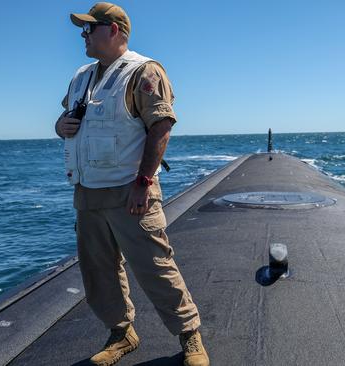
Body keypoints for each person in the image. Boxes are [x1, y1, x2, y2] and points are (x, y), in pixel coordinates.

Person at [54, 3, 209, 365]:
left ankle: (190, 336)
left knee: (154, 265)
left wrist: (143, 182)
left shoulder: (143, 71)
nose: (83, 34)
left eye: (90, 28)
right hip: (88, 191)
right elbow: (65, 117)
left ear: (115, 31)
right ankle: (122, 333)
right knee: (98, 269)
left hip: (130, 189)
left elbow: (161, 126)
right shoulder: (80, 76)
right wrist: (60, 126)